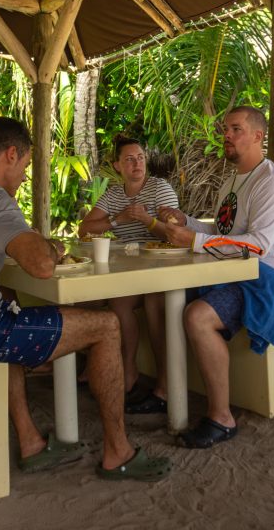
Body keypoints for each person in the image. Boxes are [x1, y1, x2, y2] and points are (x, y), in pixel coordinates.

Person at [0, 117, 171, 481]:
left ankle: (31, 442)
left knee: (6, 306)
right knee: (107, 325)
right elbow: (42, 265)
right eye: (26, 166)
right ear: (11, 154)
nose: (25, 176)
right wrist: (54, 247)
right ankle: (118, 453)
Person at [156, 106, 274, 449]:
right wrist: (188, 222)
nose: (227, 135)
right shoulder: (233, 180)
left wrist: (195, 241)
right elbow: (223, 232)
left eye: (235, 129)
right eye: (225, 129)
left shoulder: (272, 183)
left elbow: (259, 246)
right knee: (156, 296)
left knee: (198, 317)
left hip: (270, 281)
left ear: (257, 136)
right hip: (232, 273)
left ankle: (221, 417)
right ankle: (163, 391)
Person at [78, 136, 179, 414]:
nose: (137, 164)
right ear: (117, 165)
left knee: (140, 303)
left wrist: (149, 221)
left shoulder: (160, 188)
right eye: (129, 159)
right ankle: (126, 372)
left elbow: (175, 232)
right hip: (130, 266)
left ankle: (159, 385)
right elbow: (84, 229)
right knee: (106, 302)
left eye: (141, 158)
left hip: (162, 264)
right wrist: (116, 219)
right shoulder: (113, 194)